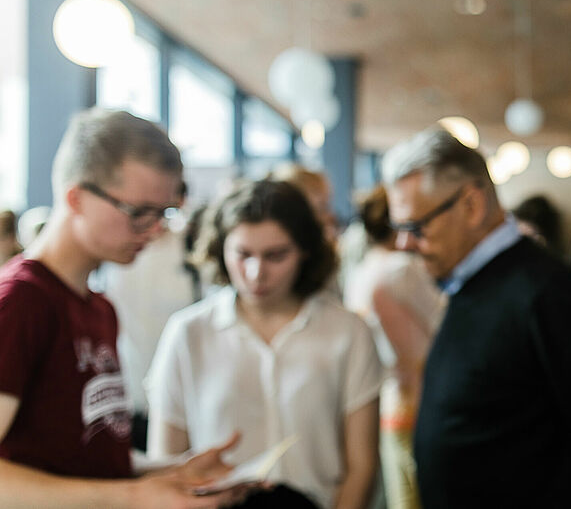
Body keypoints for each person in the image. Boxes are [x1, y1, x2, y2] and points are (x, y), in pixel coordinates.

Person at [382, 126, 571, 509]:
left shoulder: (546, 293)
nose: (404, 243)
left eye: (416, 227)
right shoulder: (471, 283)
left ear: (471, 205)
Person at [0, 108, 245, 507]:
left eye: (163, 212)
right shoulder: (21, 302)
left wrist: (172, 471)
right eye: (139, 212)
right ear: (77, 198)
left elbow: (86, 458)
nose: (154, 229)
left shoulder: (99, 308)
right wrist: (132, 496)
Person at [147, 179, 383, 509]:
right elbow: (165, 461)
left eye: (276, 255)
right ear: (221, 249)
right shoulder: (188, 332)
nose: (256, 273)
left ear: (304, 250)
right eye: (243, 254)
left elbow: (361, 464)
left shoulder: (348, 332)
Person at [343, 185, 444, 509]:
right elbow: (442, 322)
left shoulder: (362, 270)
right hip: (421, 395)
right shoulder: (401, 269)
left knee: (403, 495)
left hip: (387, 397)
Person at [90, 182, 200, 452]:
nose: (154, 223)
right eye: (143, 211)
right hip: (122, 398)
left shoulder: (189, 249)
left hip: (179, 403)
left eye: (165, 210)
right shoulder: (113, 253)